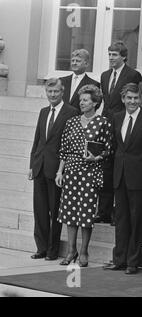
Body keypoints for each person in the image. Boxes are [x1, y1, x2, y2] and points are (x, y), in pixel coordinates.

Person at [103, 83, 142, 275]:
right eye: (129, 98)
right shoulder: (117, 117)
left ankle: (132, 262)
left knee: (136, 221)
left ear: (140, 99)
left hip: (139, 177)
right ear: (123, 99)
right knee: (121, 220)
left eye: (136, 98)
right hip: (120, 176)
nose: (133, 101)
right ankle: (119, 259)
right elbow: (115, 147)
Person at [56, 85, 112, 267]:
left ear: (95, 102)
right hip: (71, 171)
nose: (82, 103)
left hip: (90, 172)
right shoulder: (71, 122)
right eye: (81, 100)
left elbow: (108, 148)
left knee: (86, 213)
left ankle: (84, 250)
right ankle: (71, 250)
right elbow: (64, 149)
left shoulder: (103, 122)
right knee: (70, 212)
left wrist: (96, 156)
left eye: (86, 100)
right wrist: (60, 171)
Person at [28, 78, 78, 260]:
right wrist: (32, 165)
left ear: (62, 92)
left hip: (57, 169)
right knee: (39, 210)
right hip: (40, 166)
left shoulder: (71, 112)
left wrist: (63, 170)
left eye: (56, 92)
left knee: (55, 210)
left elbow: (71, 143)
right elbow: (38, 140)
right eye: (49, 92)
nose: (52, 95)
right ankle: (41, 247)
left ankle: (52, 249)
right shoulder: (43, 112)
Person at [96, 41, 142, 225]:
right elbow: (105, 101)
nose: (111, 58)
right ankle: (104, 210)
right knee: (106, 167)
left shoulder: (133, 74)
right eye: (109, 55)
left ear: (123, 56)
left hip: (124, 123)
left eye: (114, 55)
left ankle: (118, 211)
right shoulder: (105, 75)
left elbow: (131, 99)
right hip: (108, 125)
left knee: (120, 167)